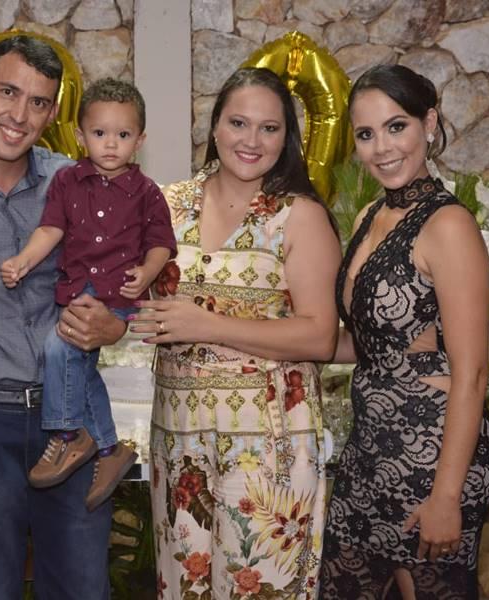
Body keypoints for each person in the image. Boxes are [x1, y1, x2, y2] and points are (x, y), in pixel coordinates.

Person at [0, 35, 126, 599]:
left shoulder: (77, 182)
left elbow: (120, 269)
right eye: (8, 92)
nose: (19, 115)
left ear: (52, 113)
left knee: (83, 590)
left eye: (38, 102)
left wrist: (116, 325)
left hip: (72, 424)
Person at [129, 67, 341, 599]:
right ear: (215, 126)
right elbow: (124, 289)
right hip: (178, 440)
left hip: (269, 448)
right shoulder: (165, 204)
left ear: (286, 138)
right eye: (239, 123)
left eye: (269, 128)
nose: (252, 140)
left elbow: (320, 336)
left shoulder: (299, 216)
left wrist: (208, 325)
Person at [318, 64, 489, 599]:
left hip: (433, 456)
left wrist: (446, 496)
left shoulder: (448, 225)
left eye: (396, 126)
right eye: (366, 134)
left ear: (429, 123)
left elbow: (472, 372)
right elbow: (371, 346)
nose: (382, 148)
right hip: (370, 450)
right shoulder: (369, 217)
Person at [0, 78, 176, 510]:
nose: (111, 144)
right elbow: (50, 229)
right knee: (78, 366)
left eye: (123, 134)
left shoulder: (147, 192)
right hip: (78, 286)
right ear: (81, 136)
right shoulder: (67, 181)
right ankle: (109, 448)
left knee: (57, 348)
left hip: (117, 290)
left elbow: (161, 243)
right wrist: (24, 260)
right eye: (100, 133)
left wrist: (147, 272)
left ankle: (66, 434)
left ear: (140, 140)